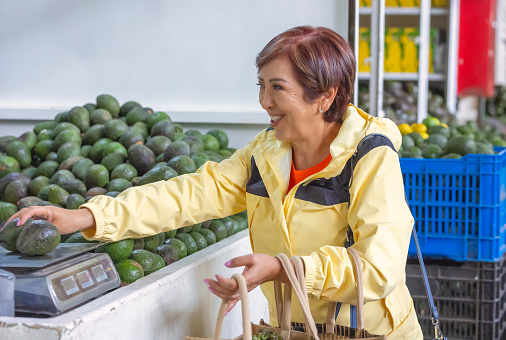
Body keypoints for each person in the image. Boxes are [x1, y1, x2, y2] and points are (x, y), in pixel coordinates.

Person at [8, 26, 423, 339]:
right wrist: (85, 216)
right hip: (296, 329)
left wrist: (283, 269)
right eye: (261, 86)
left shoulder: (370, 157)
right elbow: (187, 195)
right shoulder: (267, 154)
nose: (264, 103)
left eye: (278, 88)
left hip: (372, 332)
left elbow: (378, 269)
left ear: (326, 95)